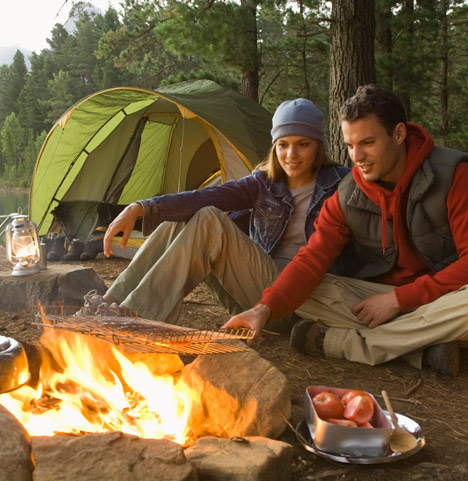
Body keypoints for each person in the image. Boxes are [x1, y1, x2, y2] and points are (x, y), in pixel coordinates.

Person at [224, 85, 468, 376]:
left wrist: (400, 300)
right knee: (305, 289)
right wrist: (264, 309)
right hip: (372, 302)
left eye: (368, 143)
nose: (357, 156)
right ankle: (423, 343)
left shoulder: (451, 175)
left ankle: (346, 343)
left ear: (398, 134)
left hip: (440, 299)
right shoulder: (348, 193)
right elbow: (311, 260)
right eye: (349, 145)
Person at [88, 98, 350, 326]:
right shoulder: (264, 183)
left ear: (318, 145)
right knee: (193, 213)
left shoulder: (341, 185)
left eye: (302, 144)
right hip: (249, 300)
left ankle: (135, 317)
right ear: (274, 147)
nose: (291, 154)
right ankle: (109, 302)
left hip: (296, 304)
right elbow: (208, 195)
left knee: (209, 219)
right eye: (283, 145)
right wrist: (142, 207)